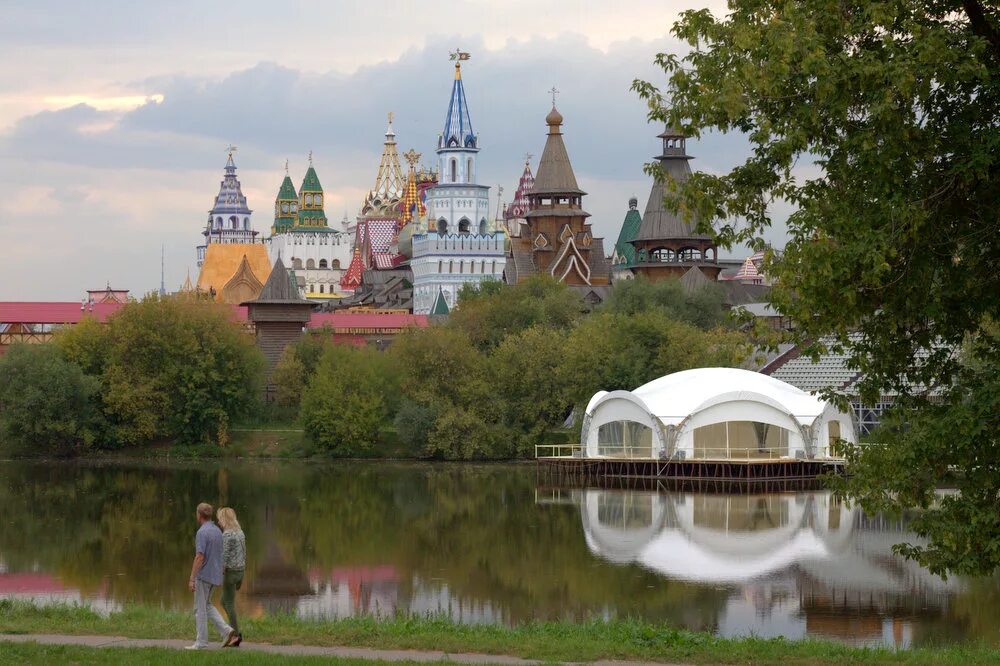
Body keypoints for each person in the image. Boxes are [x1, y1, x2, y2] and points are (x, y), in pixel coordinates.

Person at [187, 502, 238, 650]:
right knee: (207, 605)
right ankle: (226, 631)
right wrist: (220, 570)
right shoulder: (217, 530)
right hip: (215, 576)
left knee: (199, 609)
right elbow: (220, 554)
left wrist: (192, 578)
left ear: (199, 515)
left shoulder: (202, 532)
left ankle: (201, 642)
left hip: (203, 576)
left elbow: (199, 557)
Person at [216, 507, 246, 647]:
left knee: (228, 603)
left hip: (230, 572)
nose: (218, 521)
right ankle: (231, 630)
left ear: (224, 519)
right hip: (240, 570)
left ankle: (235, 635)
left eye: (219, 518)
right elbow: (244, 552)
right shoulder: (240, 532)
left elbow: (225, 556)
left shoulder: (227, 534)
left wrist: (219, 572)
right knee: (223, 600)